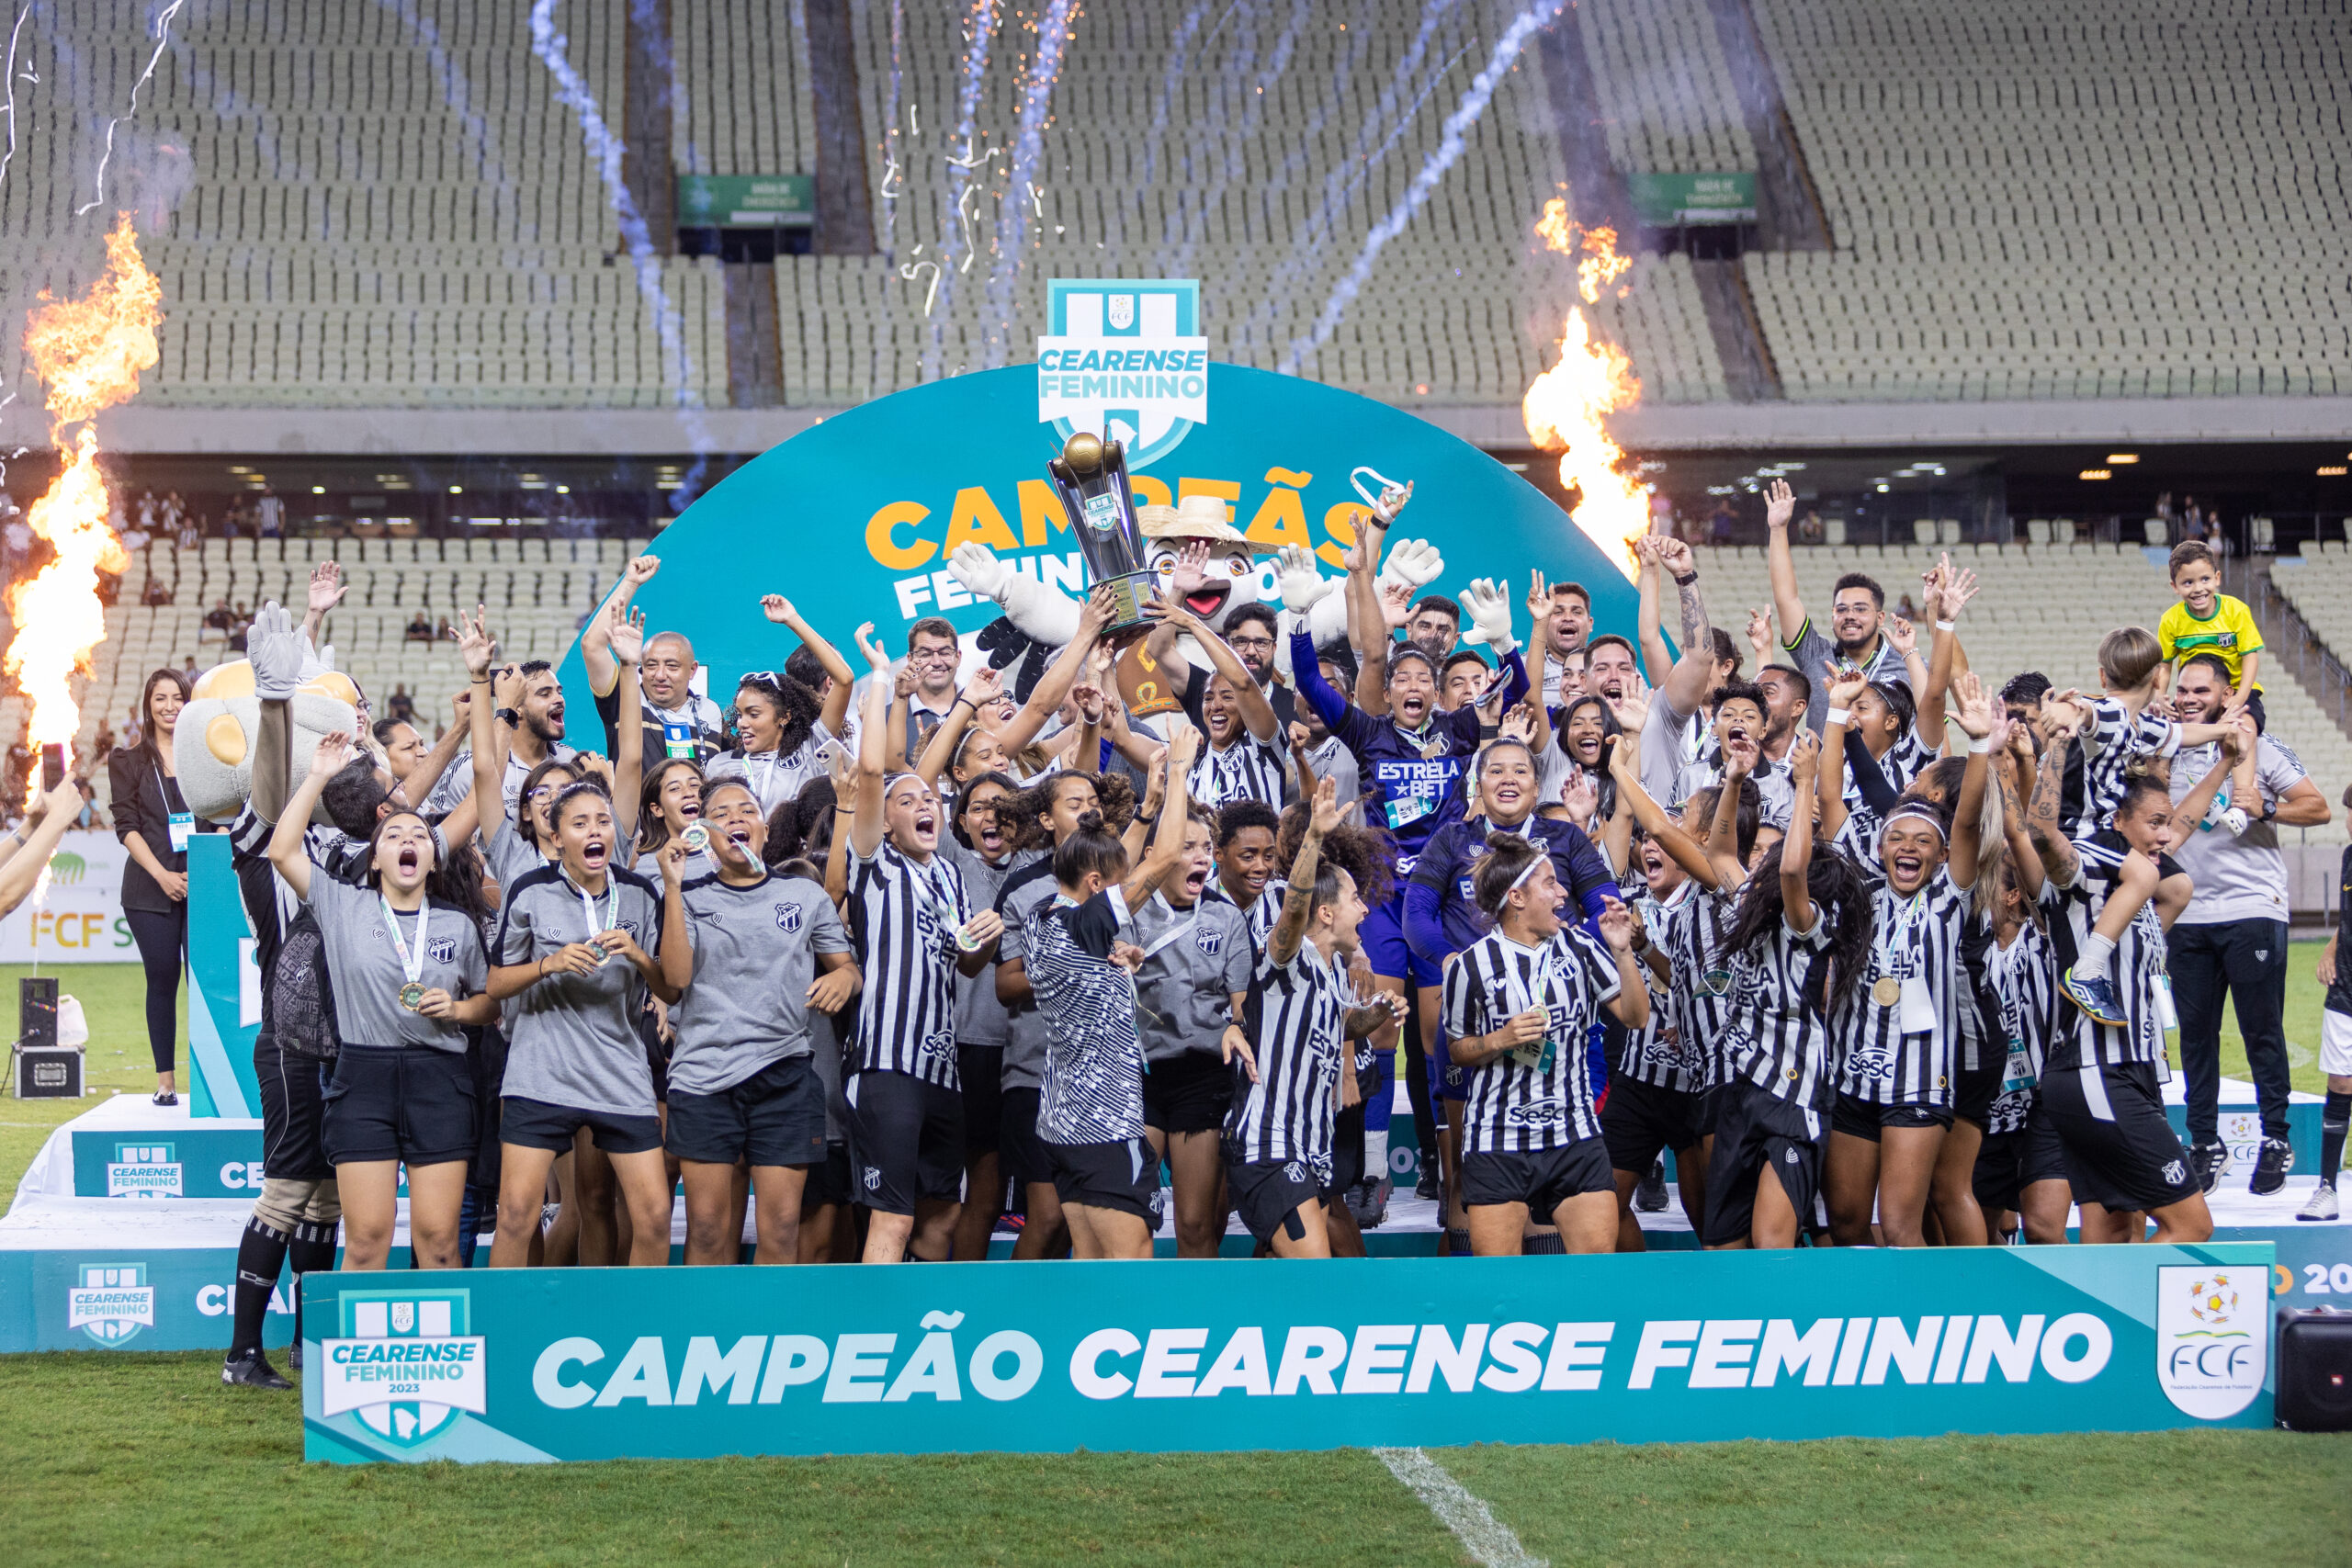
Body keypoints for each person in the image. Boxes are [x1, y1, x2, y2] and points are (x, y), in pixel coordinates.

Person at [266, 733, 496, 1271]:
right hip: (363, 1080)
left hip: (440, 1081)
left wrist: (459, 1011)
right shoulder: (341, 904)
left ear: (433, 862)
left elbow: (490, 1003)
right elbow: (281, 851)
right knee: (367, 1243)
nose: (407, 840)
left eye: (419, 835)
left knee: (439, 1245)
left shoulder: (458, 925)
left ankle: (441, 1330)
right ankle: (358, 1330)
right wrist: (318, 776)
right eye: (393, 835)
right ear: (375, 860)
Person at [2022, 715, 2233, 1246]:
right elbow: (2040, 831)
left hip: (2133, 1071)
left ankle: (2106, 1303)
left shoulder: (2148, 891)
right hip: (2097, 1070)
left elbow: (2182, 823)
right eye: (2155, 823)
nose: (2167, 833)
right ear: (2118, 820)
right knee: (2192, 1225)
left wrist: (2225, 763)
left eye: (2168, 823)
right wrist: (2055, 748)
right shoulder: (2087, 879)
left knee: (2116, 1231)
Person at [844, 624, 1006, 1262]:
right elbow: (870, 770)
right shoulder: (874, 861)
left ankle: (928, 1320)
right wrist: (883, 677)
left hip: (943, 1070)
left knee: (943, 1218)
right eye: (907, 799)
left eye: (931, 799)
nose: (925, 804)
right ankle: (876, 1321)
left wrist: (985, 941)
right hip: (887, 1067)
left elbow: (966, 962)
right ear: (885, 821)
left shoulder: (949, 873)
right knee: (892, 1219)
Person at [1816, 676, 1993, 1249]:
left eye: (1922, 841)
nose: (1908, 848)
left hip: (1919, 1082)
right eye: (1898, 839)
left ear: (1942, 855)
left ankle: (1930, 1307)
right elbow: (1830, 800)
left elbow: (1967, 821)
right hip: (1852, 1074)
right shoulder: (1860, 887)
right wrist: (1836, 714)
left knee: (1898, 1226)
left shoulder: (1948, 898)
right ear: (1881, 848)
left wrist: (1981, 744)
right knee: (1846, 1222)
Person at [656, 777, 861, 1265]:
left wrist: (843, 979)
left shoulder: (804, 895)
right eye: (720, 813)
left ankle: (771, 1315)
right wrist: (672, 886)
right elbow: (676, 979)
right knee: (707, 1229)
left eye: (747, 810)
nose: (735, 818)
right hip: (704, 1079)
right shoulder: (688, 896)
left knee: (783, 1229)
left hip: (785, 1077)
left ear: (765, 830)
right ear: (704, 833)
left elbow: (848, 969)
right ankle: (705, 1315)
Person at [1022, 723, 1198, 1259]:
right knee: (1132, 1259)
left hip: (1062, 1121)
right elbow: (1165, 858)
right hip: (1104, 1122)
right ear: (1098, 888)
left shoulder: (1042, 915)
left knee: (1090, 1262)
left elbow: (1110, 864)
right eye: (1116, 886)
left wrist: (1148, 806)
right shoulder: (1083, 924)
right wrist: (1180, 772)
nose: (1125, 893)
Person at [486, 779, 678, 1267]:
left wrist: (638, 955)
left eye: (603, 821)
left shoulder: (639, 893)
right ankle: (510, 1316)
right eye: (580, 823)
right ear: (556, 839)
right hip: (541, 1073)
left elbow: (671, 988)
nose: (595, 830)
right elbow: (496, 984)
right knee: (516, 1215)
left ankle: (629, 1316)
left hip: (619, 1073)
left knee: (655, 1217)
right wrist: (547, 965)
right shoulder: (530, 889)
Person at [2163, 653, 2328, 1194]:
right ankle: (2204, 1143)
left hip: (2252, 907)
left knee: (2262, 1031)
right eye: (2183, 689)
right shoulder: (2163, 748)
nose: (2189, 699)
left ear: (2227, 694)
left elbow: (2318, 807)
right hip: (2187, 913)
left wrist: (2266, 809)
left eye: (2201, 691)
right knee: (2196, 1037)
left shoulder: (2261, 748)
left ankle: (2276, 1138)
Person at [1704, 731, 1876, 1250]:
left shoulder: (1809, 926)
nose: (1760, 867)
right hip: (1743, 1089)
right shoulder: (1751, 908)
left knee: (1771, 1244)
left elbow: (1793, 868)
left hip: (1793, 1097)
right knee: (1721, 1246)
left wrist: (1805, 784)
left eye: (1770, 861)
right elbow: (1718, 850)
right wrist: (1734, 781)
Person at [1441, 832, 1646, 1256]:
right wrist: (1500, 1039)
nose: (1563, 893)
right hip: (1497, 1139)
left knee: (1594, 1272)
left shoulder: (1581, 948)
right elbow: (1458, 1049)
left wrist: (1623, 951)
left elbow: (1636, 1017)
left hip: (1574, 1134)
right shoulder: (1469, 965)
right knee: (1501, 1283)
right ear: (1516, 897)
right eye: (1550, 883)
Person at [1222, 779, 1403, 1258]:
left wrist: (1378, 1013)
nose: (1364, 908)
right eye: (1354, 900)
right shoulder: (1288, 959)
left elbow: (1342, 1026)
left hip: (1310, 1148)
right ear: (1324, 912)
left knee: (1283, 1271)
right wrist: (1314, 839)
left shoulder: (1329, 974)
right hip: (1270, 1146)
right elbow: (1293, 907)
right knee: (1316, 1270)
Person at [995, 768, 1131, 1260]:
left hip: (1097, 1082)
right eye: (1074, 804)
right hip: (1038, 1074)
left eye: (1093, 801)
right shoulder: (1026, 892)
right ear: (1046, 820)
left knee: (1080, 1227)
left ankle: (1056, 1306)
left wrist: (1110, 961)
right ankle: (1012, 1301)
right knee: (1050, 1216)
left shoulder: (1112, 876)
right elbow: (1005, 984)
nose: (1088, 810)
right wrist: (1064, 970)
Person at [1131, 802, 1255, 1258]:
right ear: (1155, 855)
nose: (1201, 857)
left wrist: (1237, 1027)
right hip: (1135, 1076)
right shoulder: (1128, 912)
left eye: (1206, 847)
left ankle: (1199, 1302)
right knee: (1132, 1218)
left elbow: (1242, 1006)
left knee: (1195, 1224)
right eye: (1187, 847)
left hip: (1202, 1075)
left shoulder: (1226, 918)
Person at [109, 667, 198, 1105]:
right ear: (148, 705)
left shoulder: (208, 756)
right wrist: (163, 875)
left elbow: (224, 815)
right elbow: (126, 827)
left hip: (204, 890)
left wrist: (207, 868)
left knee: (206, 983)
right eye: (161, 698)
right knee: (162, 979)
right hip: (149, 890)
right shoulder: (127, 761)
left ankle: (213, 1082)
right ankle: (166, 1083)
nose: (170, 706)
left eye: (178, 697)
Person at [1764, 477, 1904, 731]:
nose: (1850, 616)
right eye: (1842, 609)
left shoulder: (1906, 666)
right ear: (1832, 616)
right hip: (1823, 759)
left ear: (1880, 617)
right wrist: (1778, 529)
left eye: (1860, 609)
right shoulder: (1815, 655)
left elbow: (1932, 729)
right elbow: (1786, 598)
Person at [581, 555, 732, 766]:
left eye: (672, 666)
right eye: (651, 665)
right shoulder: (624, 700)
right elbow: (592, 646)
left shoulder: (711, 711)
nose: (660, 675)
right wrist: (630, 582)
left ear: (692, 670)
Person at [2159, 540, 2266, 733]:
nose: (2198, 588)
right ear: (2175, 586)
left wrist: (2240, 697)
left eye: (2205, 579)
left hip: (2236, 689)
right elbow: (2164, 665)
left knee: (2243, 733)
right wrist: (2160, 695)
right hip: (2194, 696)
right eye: (2188, 582)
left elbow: (2250, 657)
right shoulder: (2170, 619)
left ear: (2217, 578)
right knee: (2163, 734)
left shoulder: (2236, 610)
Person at [2308, 801, 2352, 1223]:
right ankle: (2327, 1189)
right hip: (2346, 989)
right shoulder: (2349, 856)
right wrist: (2331, 947)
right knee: (2339, 1082)